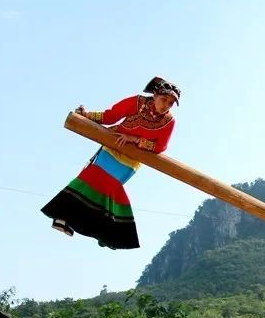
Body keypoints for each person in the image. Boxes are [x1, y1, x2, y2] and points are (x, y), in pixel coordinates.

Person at [41, 77, 180, 249]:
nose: (166, 105)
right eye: (164, 99)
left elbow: (160, 146)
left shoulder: (169, 121)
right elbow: (111, 115)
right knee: (89, 177)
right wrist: (85, 115)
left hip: (132, 159)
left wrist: (134, 139)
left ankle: (106, 233)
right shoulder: (136, 102)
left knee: (107, 188)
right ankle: (64, 219)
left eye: (171, 103)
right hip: (113, 145)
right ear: (154, 95)